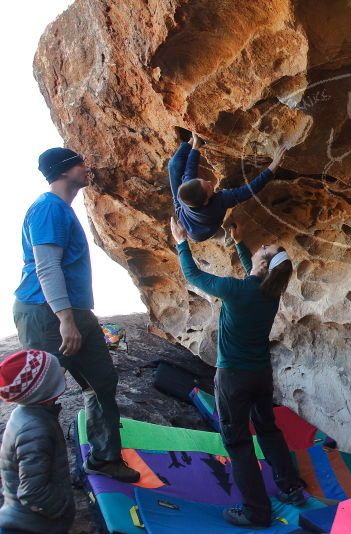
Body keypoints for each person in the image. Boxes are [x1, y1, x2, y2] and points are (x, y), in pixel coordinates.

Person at [12, 147, 139, 483]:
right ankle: (37, 475)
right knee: (41, 395)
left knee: (101, 381)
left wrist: (76, 317)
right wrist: (65, 319)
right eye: (81, 163)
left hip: (75, 311)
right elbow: (47, 266)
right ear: (65, 170)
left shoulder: (62, 210)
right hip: (44, 312)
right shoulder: (47, 209)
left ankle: (104, 458)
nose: (87, 167)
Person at [170, 217, 306, 527]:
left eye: (264, 248)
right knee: (268, 430)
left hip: (233, 378)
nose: (261, 247)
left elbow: (191, 274)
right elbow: (256, 272)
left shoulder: (236, 290)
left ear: (264, 263)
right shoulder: (270, 293)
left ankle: (256, 512)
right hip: (260, 375)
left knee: (239, 442)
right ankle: (291, 488)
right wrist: (240, 243)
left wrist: (181, 241)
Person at [0, 350, 75, 534]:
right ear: (45, 388)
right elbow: (32, 492)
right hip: (32, 527)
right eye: (56, 372)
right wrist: (62, 508)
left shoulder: (28, 413)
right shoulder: (35, 430)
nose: (63, 371)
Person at [168, 132, 287, 242]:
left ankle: (192, 139)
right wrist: (274, 165)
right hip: (200, 233)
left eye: (204, 181)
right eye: (210, 187)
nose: (210, 181)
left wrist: (195, 145)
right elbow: (249, 190)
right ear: (205, 202)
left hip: (183, 212)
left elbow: (190, 169)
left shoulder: (182, 193)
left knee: (173, 165)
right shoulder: (220, 202)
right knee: (222, 196)